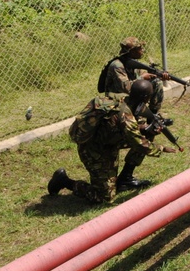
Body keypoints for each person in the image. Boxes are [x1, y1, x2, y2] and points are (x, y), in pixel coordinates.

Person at [47, 79, 179, 203]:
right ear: (145, 98)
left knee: (147, 135)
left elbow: (125, 127)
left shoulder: (123, 99)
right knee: (104, 197)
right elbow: (138, 143)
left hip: (107, 143)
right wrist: (162, 148)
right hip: (93, 150)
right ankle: (63, 181)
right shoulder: (124, 114)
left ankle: (125, 178)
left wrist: (145, 130)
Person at [101, 37, 170, 124]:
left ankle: (153, 118)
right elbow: (126, 88)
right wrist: (142, 78)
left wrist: (158, 75)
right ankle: (139, 120)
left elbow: (144, 75)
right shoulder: (117, 65)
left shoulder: (133, 62)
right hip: (117, 98)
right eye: (140, 48)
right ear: (132, 51)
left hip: (130, 93)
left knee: (156, 82)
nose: (143, 50)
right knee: (142, 88)